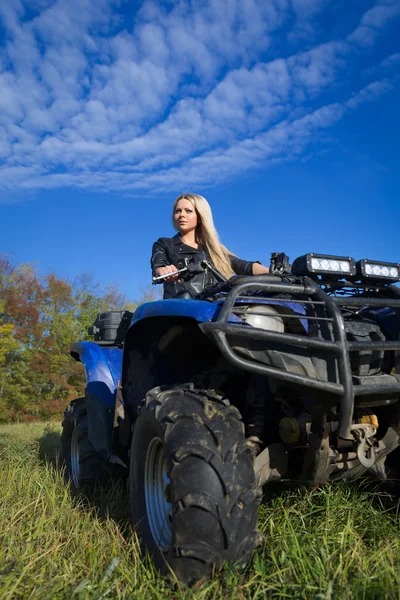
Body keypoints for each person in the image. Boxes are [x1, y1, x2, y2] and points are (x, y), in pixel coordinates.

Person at [151, 193, 270, 299]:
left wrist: (273, 272)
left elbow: (243, 266)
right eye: (178, 211)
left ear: (200, 216)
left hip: (214, 312)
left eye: (188, 211)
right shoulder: (164, 244)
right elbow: (158, 263)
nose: (182, 215)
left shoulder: (214, 250)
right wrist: (162, 270)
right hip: (179, 313)